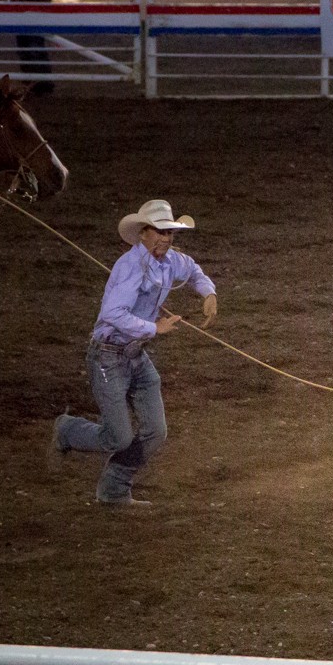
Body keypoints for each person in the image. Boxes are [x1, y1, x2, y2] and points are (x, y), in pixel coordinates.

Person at [48, 200, 219, 508]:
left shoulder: (170, 261)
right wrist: (155, 328)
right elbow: (113, 313)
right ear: (143, 234)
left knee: (155, 431)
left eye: (169, 233)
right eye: (159, 232)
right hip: (108, 356)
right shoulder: (130, 267)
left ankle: (114, 489)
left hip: (134, 355)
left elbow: (193, 270)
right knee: (117, 438)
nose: (166, 239)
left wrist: (208, 293)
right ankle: (67, 430)